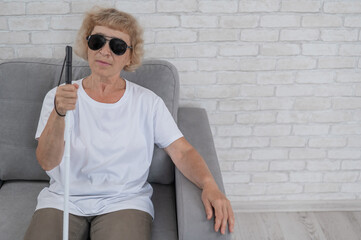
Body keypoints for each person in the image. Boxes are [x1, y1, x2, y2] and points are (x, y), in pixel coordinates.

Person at [24, 6, 234, 240]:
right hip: (63, 199)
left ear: (130, 56)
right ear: (87, 45)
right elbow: (46, 161)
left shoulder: (147, 102)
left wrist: (209, 185)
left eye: (117, 46)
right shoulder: (59, 96)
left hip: (123, 201)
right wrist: (59, 113)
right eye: (97, 41)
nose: (105, 51)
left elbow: (182, 151)